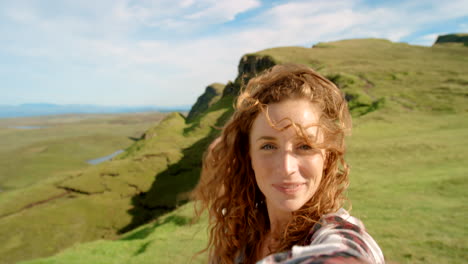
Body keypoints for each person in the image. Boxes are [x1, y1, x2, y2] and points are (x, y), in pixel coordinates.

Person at [192, 64, 384, 264]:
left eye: (305, 146)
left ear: (327, 156)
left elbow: (345, 253)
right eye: (268, 146)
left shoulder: (335, 232)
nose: (286, 167)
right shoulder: (244, 231)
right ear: (248, 156)